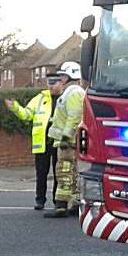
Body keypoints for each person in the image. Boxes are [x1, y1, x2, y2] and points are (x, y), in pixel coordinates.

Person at [5, 72, 65, 210]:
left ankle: (59, 201)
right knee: (41, 173)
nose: (51, 87)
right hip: (42, 141)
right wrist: (15, 108)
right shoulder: (40, 98)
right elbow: (27, 115)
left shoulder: (66, 98)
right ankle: (40, 200)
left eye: (54, 83)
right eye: (49, 83)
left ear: (61, 83)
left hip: (60, 141)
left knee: (59, 173)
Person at [44, 61, 86, 218]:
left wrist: (66, 137)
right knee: (72, 172)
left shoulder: (73, 92)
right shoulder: (72, 92)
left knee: (64, 172)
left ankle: (61, 206)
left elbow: (74, 116)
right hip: (67, 140)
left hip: (67, 142)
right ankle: (75, 204)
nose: (59, 79)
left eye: (62, 75)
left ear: (70, 76)